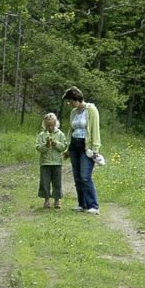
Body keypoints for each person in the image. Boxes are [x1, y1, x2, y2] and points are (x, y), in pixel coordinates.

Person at [62, 86, 101, 214]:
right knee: (77, 177)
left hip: (86, 148)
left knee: (85, 177)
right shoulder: (73, 112)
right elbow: (71, 131)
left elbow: (95, 129)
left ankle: (93, 206)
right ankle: (82, 204)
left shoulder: (91, 110)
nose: (70, 103)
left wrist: (95, 149)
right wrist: (68, 148)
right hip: (74, 146)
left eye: (71, 101)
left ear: (77, 99)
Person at [35, 112, 68, 209]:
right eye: (48, 125)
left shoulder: (60, 134)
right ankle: (46, 200)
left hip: (57, 162)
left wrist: (56, 144)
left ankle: (57, 200)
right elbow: (38, 147)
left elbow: (64, 146)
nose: (50, 127)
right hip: (45, 162)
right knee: (45, 181)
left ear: (56, 124)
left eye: (52, 125)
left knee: (57, 181)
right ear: (44, 125)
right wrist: (46, 145)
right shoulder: (41, 135)